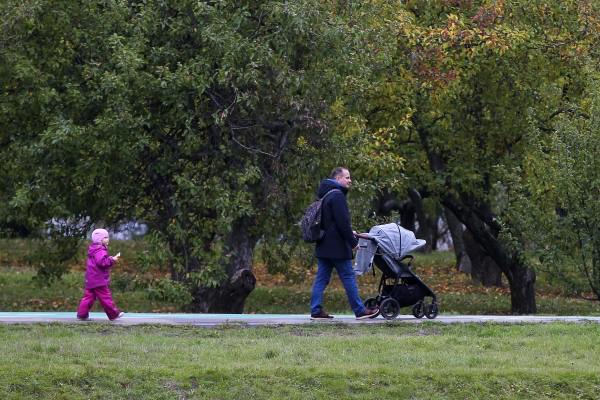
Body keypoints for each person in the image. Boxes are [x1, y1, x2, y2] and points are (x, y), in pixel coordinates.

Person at [310, 167, 379, 320]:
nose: (350, 180)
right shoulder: (337, 195)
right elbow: (343, 223)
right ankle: (360, 310)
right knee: (348, 276)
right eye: (347, 177)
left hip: (323, 245)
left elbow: (332, 223)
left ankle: (315, 310)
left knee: (321, 278)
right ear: (338, 178)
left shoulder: (325, 195)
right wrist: (353, 242)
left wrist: (350, 232)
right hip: (337, 247)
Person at [76, 228, 124, 321]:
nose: (108, 239)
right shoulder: (100, 249)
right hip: (98, 279)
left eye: (107, 237)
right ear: (99, 239)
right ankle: (114, 314)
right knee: (106, 297)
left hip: (91, 278)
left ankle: (81, 314)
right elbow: (102, 262)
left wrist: (109, 258)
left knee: (88, 297)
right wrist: (112, 259)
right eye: (105, 237)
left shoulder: (94, 249)